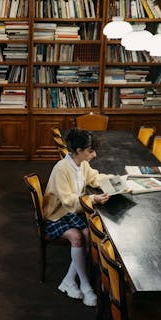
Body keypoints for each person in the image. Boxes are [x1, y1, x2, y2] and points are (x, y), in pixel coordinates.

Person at [43, 128, 110, 306]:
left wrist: (117, 181)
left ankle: (69, 280)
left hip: (72, 211)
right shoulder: (61, 169)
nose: (94, 154)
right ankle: (86, 285)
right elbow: (68, 201)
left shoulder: (82, 164)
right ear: (79, 151)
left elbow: (95, 178)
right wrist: (93, 199)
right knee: (77, 237)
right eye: (90, 151)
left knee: (89, 234)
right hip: (57, 215)